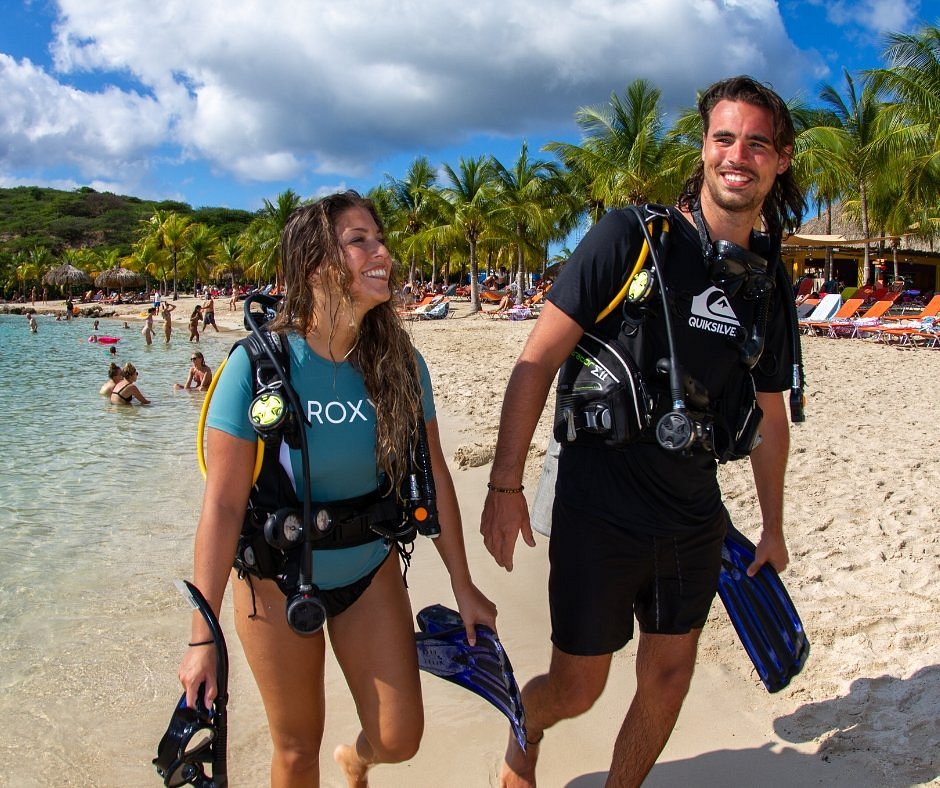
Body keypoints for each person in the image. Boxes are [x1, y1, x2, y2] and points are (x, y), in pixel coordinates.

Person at [480, 75, 804, 788]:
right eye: (724, 138)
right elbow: (536, 360)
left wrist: (772, 526)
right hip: (598, 500)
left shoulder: (767, 282)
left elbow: (771, 415)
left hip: (692, 509)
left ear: (779, 159)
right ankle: (524, 731)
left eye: (756, 143)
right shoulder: (631, 237)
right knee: (579, 686)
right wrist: (505, 484)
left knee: (668, 675)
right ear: (704, 147)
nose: (737, 155)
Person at [177, 191, 495, 786]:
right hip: (274, 577)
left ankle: (357, 761)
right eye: (360, 242)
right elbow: (220, 507)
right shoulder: (256, 367)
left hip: (367, 569)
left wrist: (464, 584)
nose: (383, 253)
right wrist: (203, 635)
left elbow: (436, 473)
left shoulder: (399, 364)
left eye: (380, 239)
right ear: (316, 265)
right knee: (296, 747)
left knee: (400, 737)